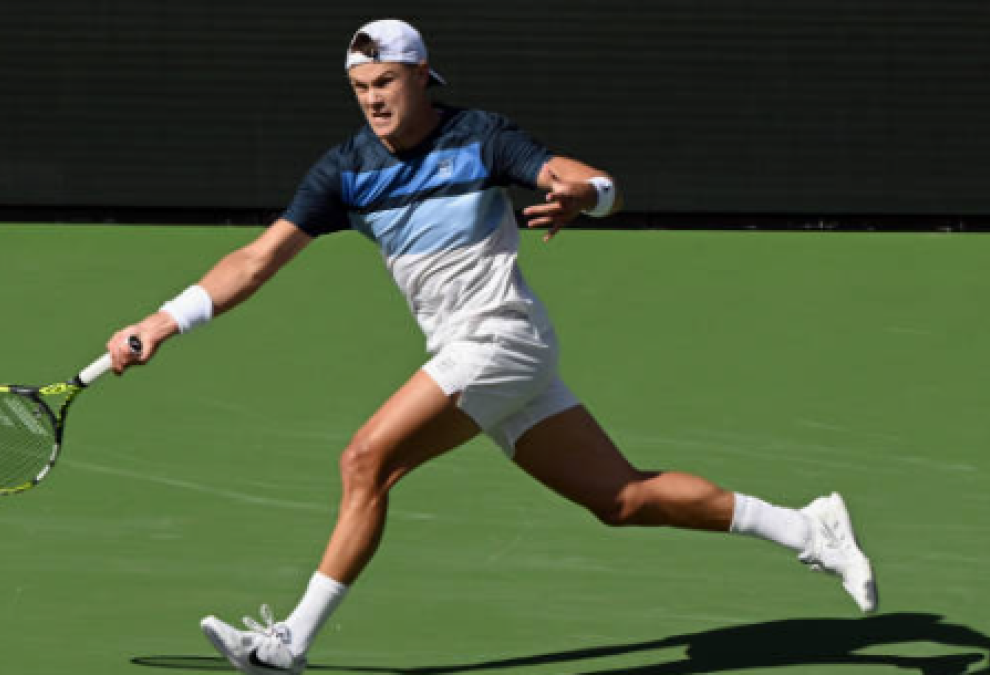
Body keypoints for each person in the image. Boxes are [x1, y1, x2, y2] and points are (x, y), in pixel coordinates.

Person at [106, 18, 878, 675]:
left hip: (498, 337)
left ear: (420, 76)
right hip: (482, 352)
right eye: (360, 86)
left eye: (386, 81)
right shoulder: (346, 170)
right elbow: (256, 259)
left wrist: (590, 193)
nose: (373, 97)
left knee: (366, 459)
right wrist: (161, 321)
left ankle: (287, 644)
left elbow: (575, 174)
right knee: (620, 498)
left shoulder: (478, 137)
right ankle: (809, 527)